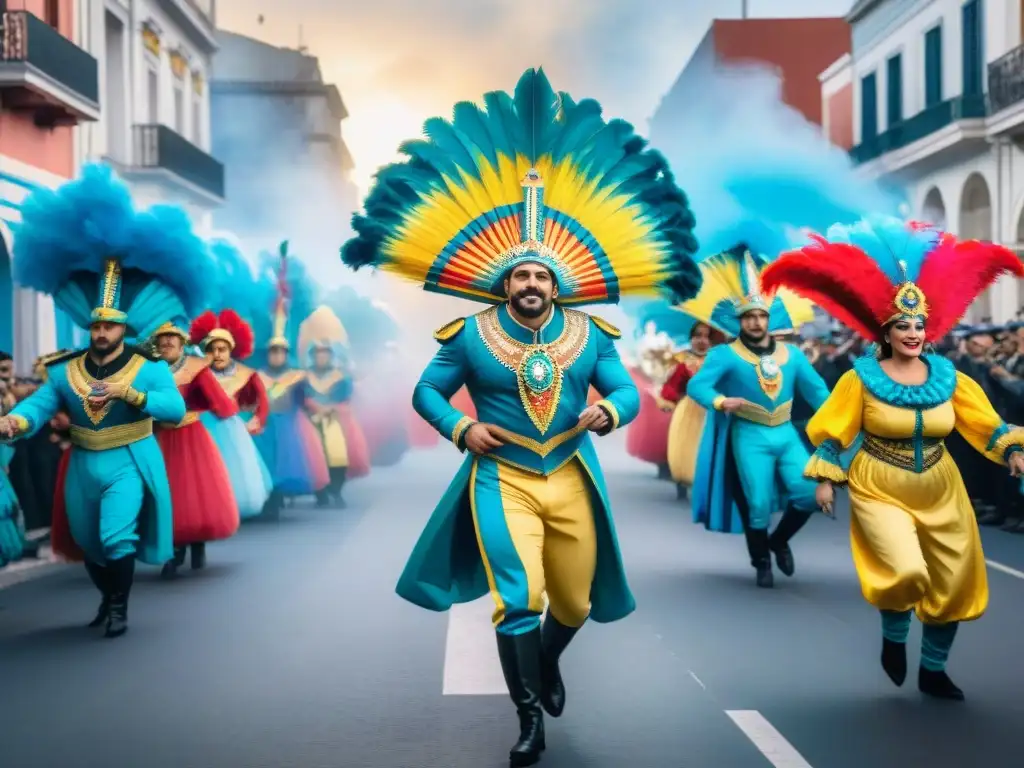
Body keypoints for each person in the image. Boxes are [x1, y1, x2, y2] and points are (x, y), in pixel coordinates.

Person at [341, 68, 702, 768]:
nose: (530, 284)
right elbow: (426, 392)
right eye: (520, 276)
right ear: (503, 282)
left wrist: (608, 412)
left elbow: (625, 392)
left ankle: (545, 658)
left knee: (572, 600)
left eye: (541, 276)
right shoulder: (470, 335)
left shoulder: (592, 336)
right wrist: (460, 429)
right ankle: (528, 716)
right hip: (499, 479)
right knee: (520, 595)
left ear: (557, 283)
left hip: (571, 473)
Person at [762, 215, 1024, 700]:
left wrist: (1011, 451)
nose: (913, 332)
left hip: (942, 484)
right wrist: (824, 478)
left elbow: (985, 423)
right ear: (885, 331)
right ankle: (895, 635)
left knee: (953, 579)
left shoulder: (950, 377)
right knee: (905, 570)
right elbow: (834, 431)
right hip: (880, 481)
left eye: (920, 325)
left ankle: (934, 669)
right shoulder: (859, 379)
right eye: (903, 325)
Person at [0, 164, 202, 637]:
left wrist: (130, 392)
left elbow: (172, 411)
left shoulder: (148, 367)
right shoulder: (66, 369)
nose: (100, 332)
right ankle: (107, 596)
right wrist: (14, 422)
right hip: (83, 462)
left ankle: (119, 608)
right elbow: (42, 403)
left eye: (108, 326)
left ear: (124, 330)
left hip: (130, 456)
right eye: (95, 326)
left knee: (116, 536)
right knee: (89, 544)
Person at [686, 241, 826, 588]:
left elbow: (820, 394)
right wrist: (721, 402)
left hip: (785, 433)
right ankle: (761, 559)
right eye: (749, 316)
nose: (755, 321)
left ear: (770, 318)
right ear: (740, 320)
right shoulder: (724, 355)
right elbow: (697, 387)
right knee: (757, 502)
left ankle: (778, 541)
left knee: (808, 495)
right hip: (747, 434)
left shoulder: (792, 355)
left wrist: (844, 419)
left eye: (761, 315)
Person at [151, 319, 240, 577]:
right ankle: (174, 550)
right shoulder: (150, 370)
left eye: (172, 337)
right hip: (162, 438)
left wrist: (218, 407)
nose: (167, 342)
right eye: (162, 338)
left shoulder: (196, 368)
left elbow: (220, 403)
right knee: (167, 494)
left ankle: (195, 543)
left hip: (191, 437)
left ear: (182, 342)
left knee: (192, 492)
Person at [251, 245, 329, 516]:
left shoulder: (296, 376)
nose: (276, 356)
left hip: (290, 426)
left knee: (287, 463)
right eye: (272, 351)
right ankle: (268, 500)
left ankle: (279, 498)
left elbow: (304, 400)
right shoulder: (257, 375)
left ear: (286, 353)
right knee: (264, 462)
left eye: (280, 352)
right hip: (263, 426)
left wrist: (314, 411)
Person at [191, 309, 273, 521]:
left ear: (230, 351)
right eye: (212, 349)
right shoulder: (198, 373)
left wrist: (258, 419)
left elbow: (262, 400)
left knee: (234, 470)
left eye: (222, 349)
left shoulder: (246, 374)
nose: (217, 354)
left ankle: (231, 508)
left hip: (230, 430)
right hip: (203, 427)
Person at [297, 305, 370, 508]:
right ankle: (320, 494)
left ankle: (336, 492)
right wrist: (313, 406)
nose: (322, 357)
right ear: (313, 355)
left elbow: (346, 398)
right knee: (314, 457)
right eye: (318, 353)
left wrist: (331, 409)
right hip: (311, 422)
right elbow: (300, 398)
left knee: (338, 456)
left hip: (336, 421)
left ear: (330, 355)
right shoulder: (304, 377)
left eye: (325, 353)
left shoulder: (341, 378)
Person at [660, 320, 724, 498]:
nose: (702, 340)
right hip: (688, 408)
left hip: (713, 407)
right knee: (684, 445)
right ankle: (682, 481)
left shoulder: (719, 360)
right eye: (697, 336)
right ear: (691, 338)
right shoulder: (681, 359)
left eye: (706, 336)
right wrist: (670, 400)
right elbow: (671, 385)